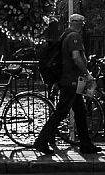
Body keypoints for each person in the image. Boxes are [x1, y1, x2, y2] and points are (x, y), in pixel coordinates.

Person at [33, 13, 100, 155]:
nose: (83, 26)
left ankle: (86, 144)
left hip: (68, 80)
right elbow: (76, 58)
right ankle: (41, 141)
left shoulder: (65, 35)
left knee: (80, 112)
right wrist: (87, 74)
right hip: (71, 81)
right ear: (77, 23)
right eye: (82, 23)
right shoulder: (74, 37)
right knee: (61, 112)